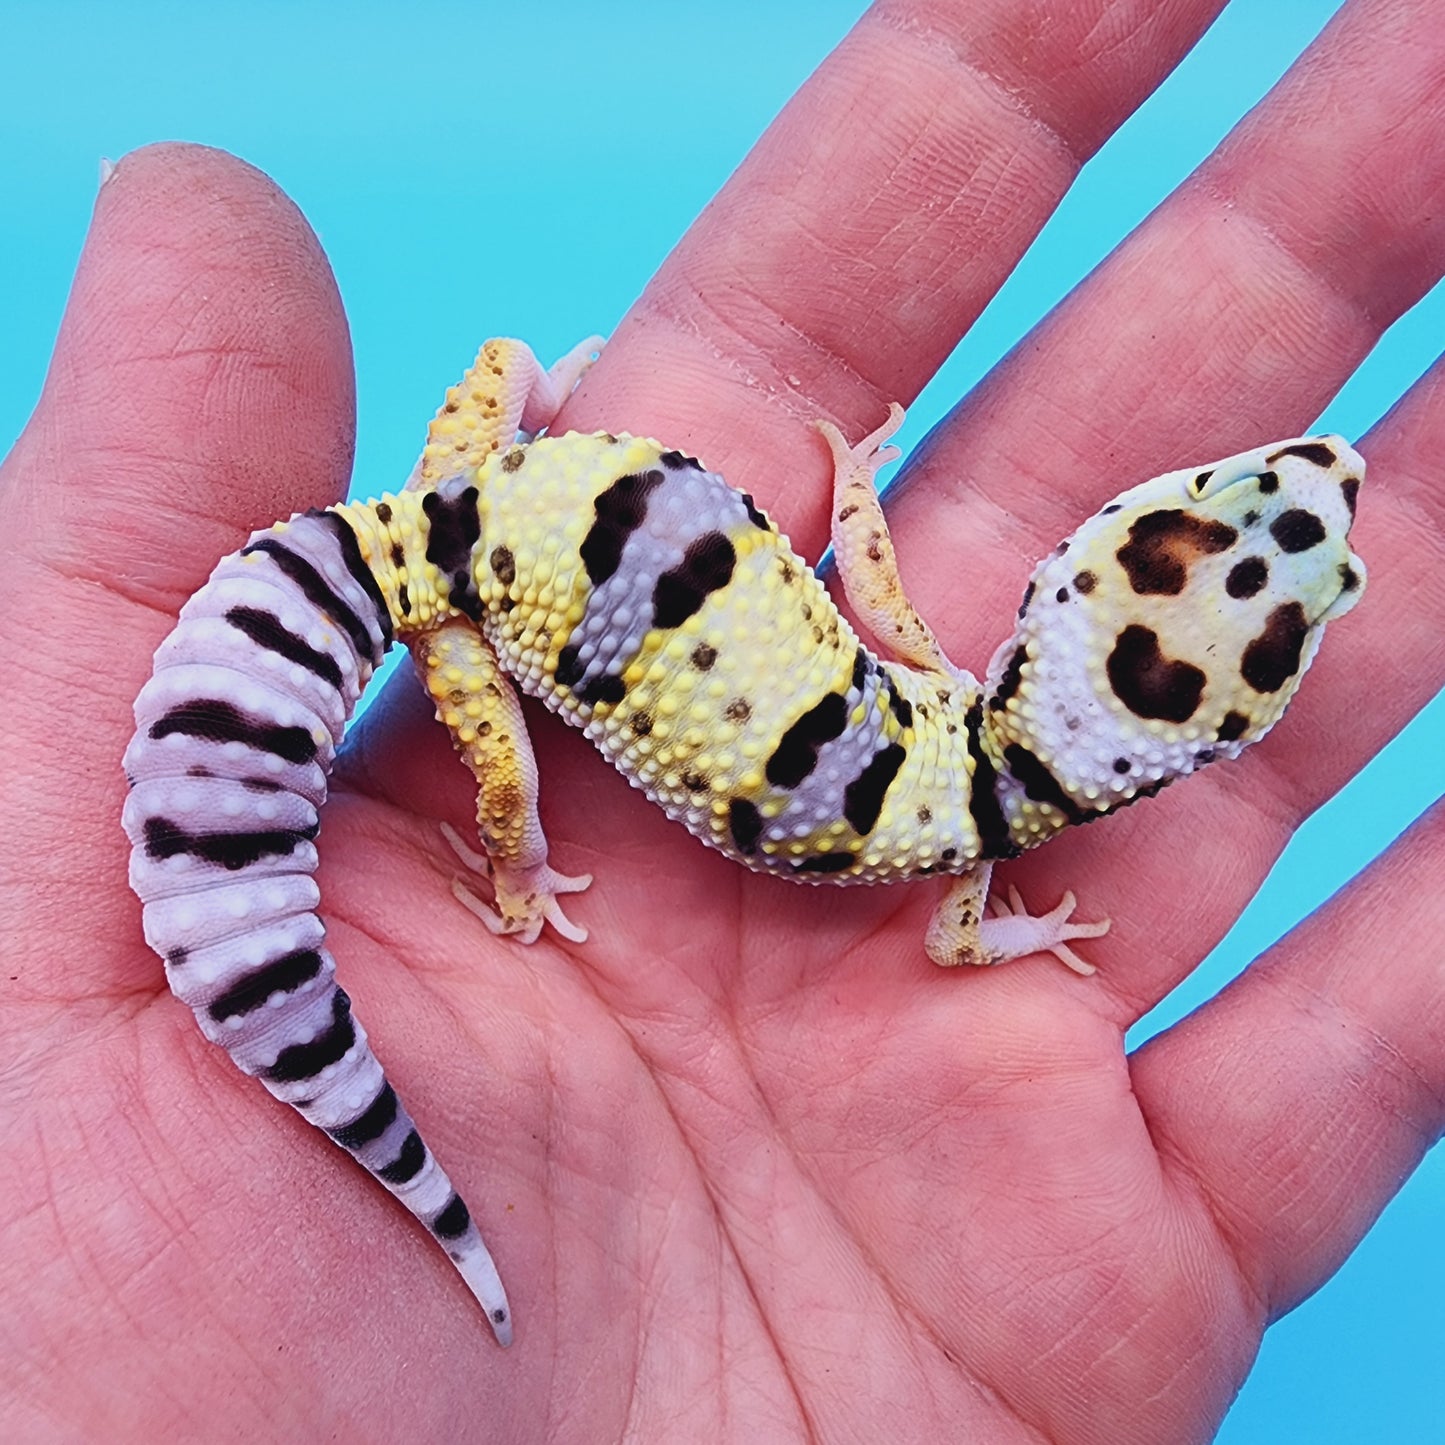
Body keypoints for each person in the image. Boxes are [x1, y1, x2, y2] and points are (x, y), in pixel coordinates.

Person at [3, 7, 1442, 1438]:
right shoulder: (961, 837)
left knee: (512, 396)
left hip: (492, 495)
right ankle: (497, 879)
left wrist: (857, 482)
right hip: (477, 577)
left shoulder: (941, 690)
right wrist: (1020, 933)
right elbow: (958, 933)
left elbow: (869, 584)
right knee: (500, 751)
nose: (1301, 472)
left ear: (1077, 584)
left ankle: (476, 853)